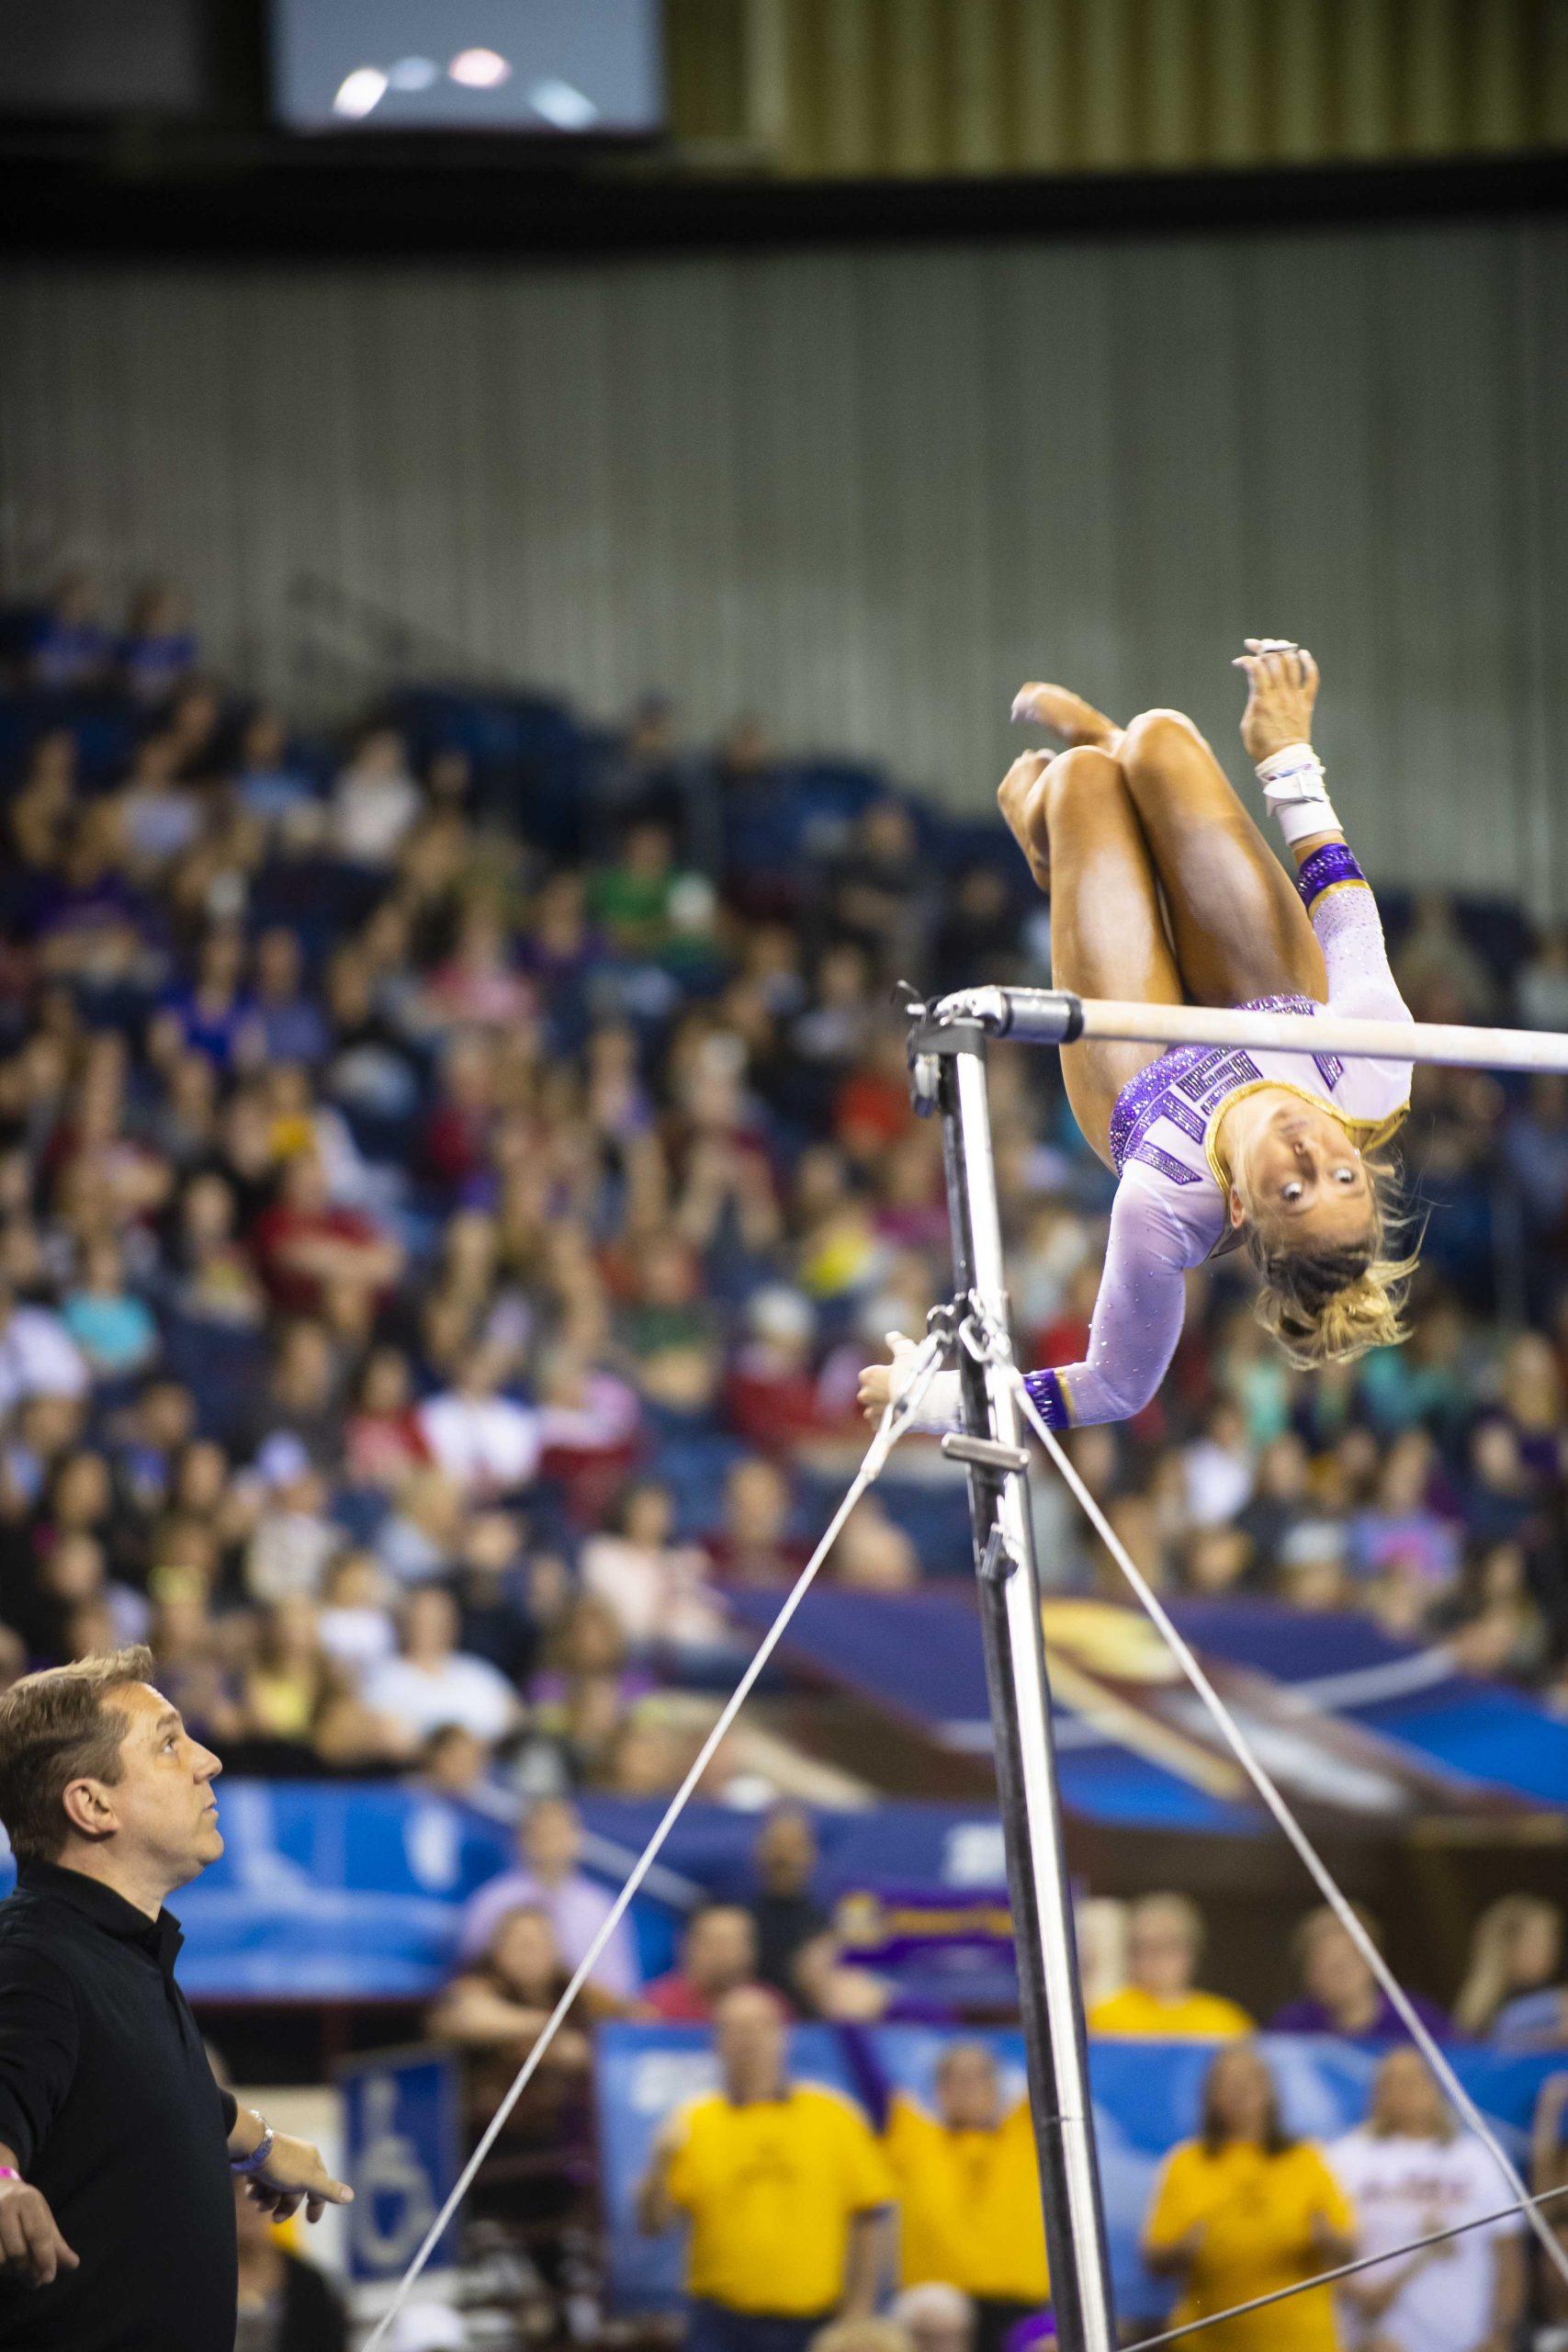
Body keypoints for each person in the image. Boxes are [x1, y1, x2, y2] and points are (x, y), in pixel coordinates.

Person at [861, 643, 1416, 1436]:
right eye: (1342, 1177)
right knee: (1161, 739)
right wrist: (1287, 754)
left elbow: (1116, 1387)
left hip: (1141, 1084)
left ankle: (1056, 838)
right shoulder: (1369, 1078)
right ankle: (1113, 759)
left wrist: (931, 1401)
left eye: (1292, 1194)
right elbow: (1345, 913)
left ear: (1235, 1204)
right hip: (1263, 1000)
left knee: (1081, 786)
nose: (1308, 1157)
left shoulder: (1161, 1211)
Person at [0, 1647, 350, 2351]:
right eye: (168, 1743)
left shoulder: (124, 1957)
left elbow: (144, 2096)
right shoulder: (36, 1960)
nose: (208, 1760)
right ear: (93, 1805)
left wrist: (263, 2146)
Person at [637, 1985, 895, 2352]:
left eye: (759, 2027)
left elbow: (870, 2218)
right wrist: (660, 2165)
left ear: (782, 2036)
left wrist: (858, 2310)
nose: (748, 2041)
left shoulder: (832, 2115)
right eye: (735, 2030)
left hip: (815, 2321)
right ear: (717, 2042)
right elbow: (653, 2225)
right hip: (721, 2323)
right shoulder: (694, 2121)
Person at [1142, 2041, 1353, 2352]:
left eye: (1249, 2082)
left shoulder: (1306, 2158)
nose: (1239, 2092)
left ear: (1269, 2091)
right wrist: (1182, 2250)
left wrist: (1327, 2239)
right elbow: (1154, 2259)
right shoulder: (1186, 2162)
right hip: (1206, 2342)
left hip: (1301, 2341)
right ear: (1209, 2096)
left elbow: (1348, 2248)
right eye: (1226, 2083)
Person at [1330, 2048, 1523, 2352]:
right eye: (1390, 2082)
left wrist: (1501, 2331)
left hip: (1465, 2337)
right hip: (1375, 2336)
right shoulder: (1345, 2157)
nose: (1402, 2092)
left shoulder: (1477, 2157)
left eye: (1413, 2080)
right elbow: (1320, 2248)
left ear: (1436, 2087)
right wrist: (1354, 2292)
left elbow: (1508, 2249)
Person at [882, 2041, 1048, 2352]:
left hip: (1013, 2302)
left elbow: (1055, 2068)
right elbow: (870, 2077)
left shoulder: (1024, 2132)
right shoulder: (912, 2134)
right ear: (937, 2090)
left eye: (978, 2076)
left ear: (996, 2085)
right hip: (936, 2311)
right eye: (954, 2078)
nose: (966, 2088)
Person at [457, 1793, 641, 1995]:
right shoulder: (491, 1901)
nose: (549, 1844)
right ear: (521, 1840)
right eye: (539, 1834)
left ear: (577, 1837)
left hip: (582, 2014)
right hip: (508, 2011)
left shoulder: (602, 1908)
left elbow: (620, 1988)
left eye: (557, 1833)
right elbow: (470, 1975)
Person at [1271, 1906, 1451, 2042]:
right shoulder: (1293, 2028)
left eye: (1344, 1965)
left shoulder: (1415, 2019)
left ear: (1373, 1962)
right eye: (1322, 1968)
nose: (1336, 1977)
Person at [1088, 1893, 1253, 2041]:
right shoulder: (1103, 2018)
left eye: (1166, 1945)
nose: (1152, 1959)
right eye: (1140, 1947)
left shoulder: (1224, 2020)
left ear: (1191, 1950)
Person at [233, 2172, 349, 2352]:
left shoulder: (310, 2285)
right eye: (236, 2196)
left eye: (256, 2195)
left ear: (275, 2203)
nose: (247, 2206)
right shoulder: (201, 2280)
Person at [1452, 1895, 1565, 2044]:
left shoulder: (1543, 1993)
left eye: (1553, 1941)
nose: (1552, 1950)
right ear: (1510, 1948)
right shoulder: (1490, 2010)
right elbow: (1505, 2028)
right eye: (1542, 1942)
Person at [750, 1804, 830, 1998]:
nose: (783, 1856)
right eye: (776, 1844)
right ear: (759, 1849)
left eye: (794, 1845)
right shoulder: (734, 1913)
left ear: (812, 1854)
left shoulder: (827, 1924)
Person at [643, 1904, 766, 2023]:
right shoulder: (656, 2007)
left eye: (732, 1944)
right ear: (688, 1946)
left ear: (750, 1950)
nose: (723, 1954)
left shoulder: (767, 2007)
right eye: (715, 1944)